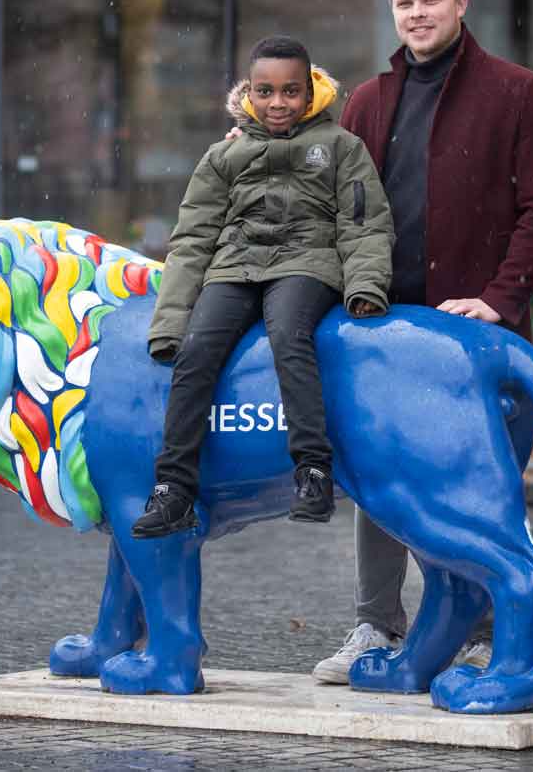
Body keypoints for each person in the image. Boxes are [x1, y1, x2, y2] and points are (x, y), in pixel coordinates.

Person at [310, 0, 533, 682]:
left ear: (460, 4)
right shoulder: (366, 102)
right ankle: (375, 626)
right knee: (377, 479)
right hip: (385, 336)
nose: (416, 15)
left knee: (477, 486)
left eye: (428, 0)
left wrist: (499, 297)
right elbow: (332, 203)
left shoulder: (518, 92)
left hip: (473, 340)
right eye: (404, 5)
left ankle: (486, 632)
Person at [131, 35, 395, 539]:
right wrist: (169, 324)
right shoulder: (222, 157)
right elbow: (192, 239)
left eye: (291, 92)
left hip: (307, 262)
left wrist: (365, 287)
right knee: (196, 353)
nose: (279, 103)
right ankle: (173, 489)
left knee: (290, 336)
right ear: (249, 93)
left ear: (311, 91)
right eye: (266, 92)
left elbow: (364, 223)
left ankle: (313, 471)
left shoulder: (341, 148)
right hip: (234, 267)